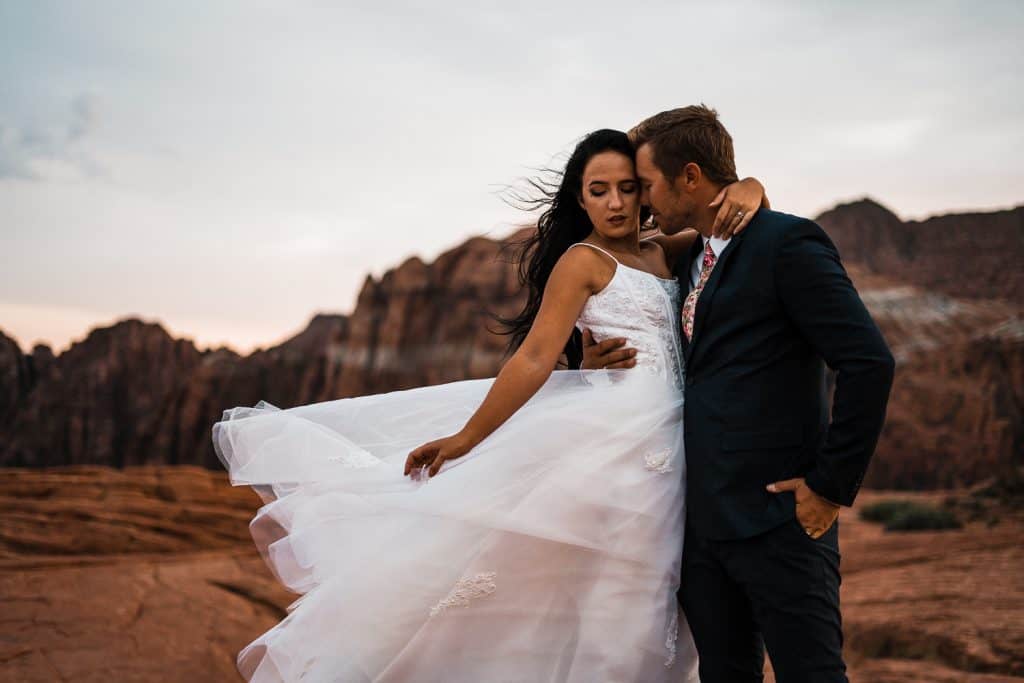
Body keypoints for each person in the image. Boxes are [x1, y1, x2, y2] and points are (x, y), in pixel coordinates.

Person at [212, 128, 765, 682]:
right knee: (615, 597)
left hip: (680, 438)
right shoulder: (582, 261)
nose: (616, 203)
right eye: (599, 190)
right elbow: (533, 358)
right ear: (580, 197)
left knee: (668, 595)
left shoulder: (663, 250)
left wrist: (751, 186)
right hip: (617, 447)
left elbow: (729, 228)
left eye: (628, 187)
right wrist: (467, 438)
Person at [584, 105, 895, 683]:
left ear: (692, 177)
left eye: (647, 185)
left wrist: (829, 487)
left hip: (782, 523)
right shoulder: (686, 261)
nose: (642, 202)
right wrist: (588, 358)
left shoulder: (787, 243)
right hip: (702, 532)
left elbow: (868, 362)